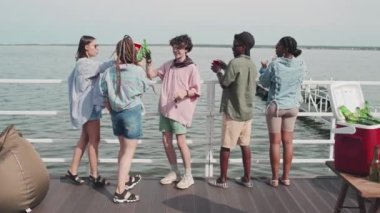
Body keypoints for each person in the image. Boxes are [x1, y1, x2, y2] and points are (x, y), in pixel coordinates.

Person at [145, 34, 201, 189]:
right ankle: (174, 171)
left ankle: (188, 175)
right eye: (174, 48)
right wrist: (148, 61)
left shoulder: (192, 67)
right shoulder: (169, 64)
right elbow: (151, 74)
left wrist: (184, 93)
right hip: (165, 109)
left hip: (180, 111)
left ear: (187, 49)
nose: (176, 50)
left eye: (180, 48)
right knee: (166, 141)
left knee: (181, 142)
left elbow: (196, 89)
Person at [100, 35, 147, 203]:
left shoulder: (109, 71)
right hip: (131, 113)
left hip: (115, 114)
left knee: (122, 149)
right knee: (128, 153)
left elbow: (104, 94)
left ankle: (125, 179)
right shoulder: (137, 70)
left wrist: (113, 108)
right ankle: (120, 191)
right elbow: (144, 88)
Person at [208, 31, 257, 189]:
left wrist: (219, 72)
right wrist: (225, 66)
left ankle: (222, 180)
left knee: (225, 146)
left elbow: (225, 83)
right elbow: (239, 77)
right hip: (247, 113)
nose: (232, 48)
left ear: (243, 47)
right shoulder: (252, 64)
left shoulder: (235, 63)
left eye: (235, 45)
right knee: (245, 145)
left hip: (233, 111)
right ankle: (247, 178)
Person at [259, 36, 307, 187]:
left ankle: (274, 179)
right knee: (288, 142)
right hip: (292, 107)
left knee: (275, 142)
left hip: (277, 107)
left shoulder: (275, 64)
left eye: (278, 46)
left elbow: (264, 82)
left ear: (285, 48)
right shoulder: (301, 63)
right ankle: (286, 178)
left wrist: (263, 68)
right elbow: (301, 81)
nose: (275, 47)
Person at [66, 35, 114, 186]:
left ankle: (72, 171)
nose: (97, 49)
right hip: (89, 108)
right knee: (95, 140)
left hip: (86, 106)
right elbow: (103, 66)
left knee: (85, 139)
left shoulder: (83, 63)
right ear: (86, 47)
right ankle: (94, 175)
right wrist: (120, 57)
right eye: (95, 46)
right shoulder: (84, 64)